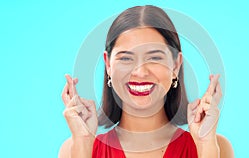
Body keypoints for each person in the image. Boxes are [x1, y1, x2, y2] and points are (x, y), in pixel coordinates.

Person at [59, 5, 234, 158]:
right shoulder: (75, 148)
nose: (140, 72)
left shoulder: (215, 145)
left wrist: (206, 146)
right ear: (108, 65)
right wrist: (82, 143)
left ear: (175, 65)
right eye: (126, 58)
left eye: (154, 58)